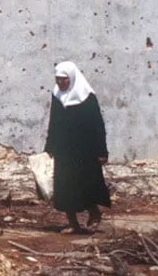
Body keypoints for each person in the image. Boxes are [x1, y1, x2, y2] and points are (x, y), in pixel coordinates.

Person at [44, 61, 111, 233]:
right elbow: (54, 121)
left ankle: (94, 213)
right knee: (65, 185)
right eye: (58, 79)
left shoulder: (87, 97)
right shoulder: (57, 95)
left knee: (85, 183)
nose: (61, 83)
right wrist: (50, 146)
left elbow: (98, 125)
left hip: (85, 149)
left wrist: (102, 151)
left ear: (72, 78)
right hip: (64, 149)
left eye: (64, 79)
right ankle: (72, 223)